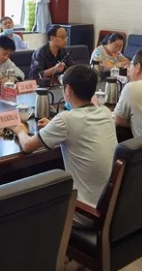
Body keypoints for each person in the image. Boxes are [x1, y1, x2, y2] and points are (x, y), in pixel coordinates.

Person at [14, 65, 117, 227]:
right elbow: (78, 125)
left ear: (68, 90)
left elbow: (27, 146)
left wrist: (20, 130)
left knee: (26, 196)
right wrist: (53, 125)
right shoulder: (105, 112)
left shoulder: (66, 120)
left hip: (85, 212)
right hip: (110, 207)